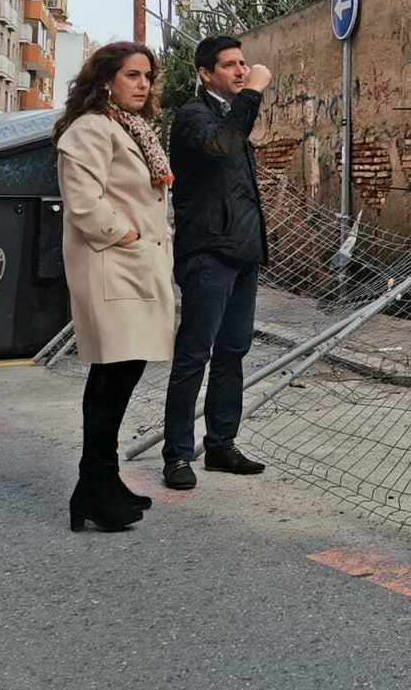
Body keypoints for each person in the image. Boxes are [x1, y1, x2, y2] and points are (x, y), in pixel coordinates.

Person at [54, 41, 176, 532]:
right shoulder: (89, 130)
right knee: (112, 375)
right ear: (106, 80)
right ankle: (93, 484)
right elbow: (83, 204)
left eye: (147, 75)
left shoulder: (131, 127)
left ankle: (103, 478)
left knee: (121, 372)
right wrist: (127, 236)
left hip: (135, 266)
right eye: (132, 75)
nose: (143, 84)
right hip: (112, 266)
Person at [161, 34, 273, 490]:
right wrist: (253, 95)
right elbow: (220, 147)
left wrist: (255, 248)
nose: (241, 71)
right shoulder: (194, 116)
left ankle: (221, 445)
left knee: (233, 351)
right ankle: (177, 455)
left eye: (243, 64)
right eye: (230, 65)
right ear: (205, 74)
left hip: (242, 251)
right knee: (194, 353)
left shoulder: (230, 116)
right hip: (207, 253)